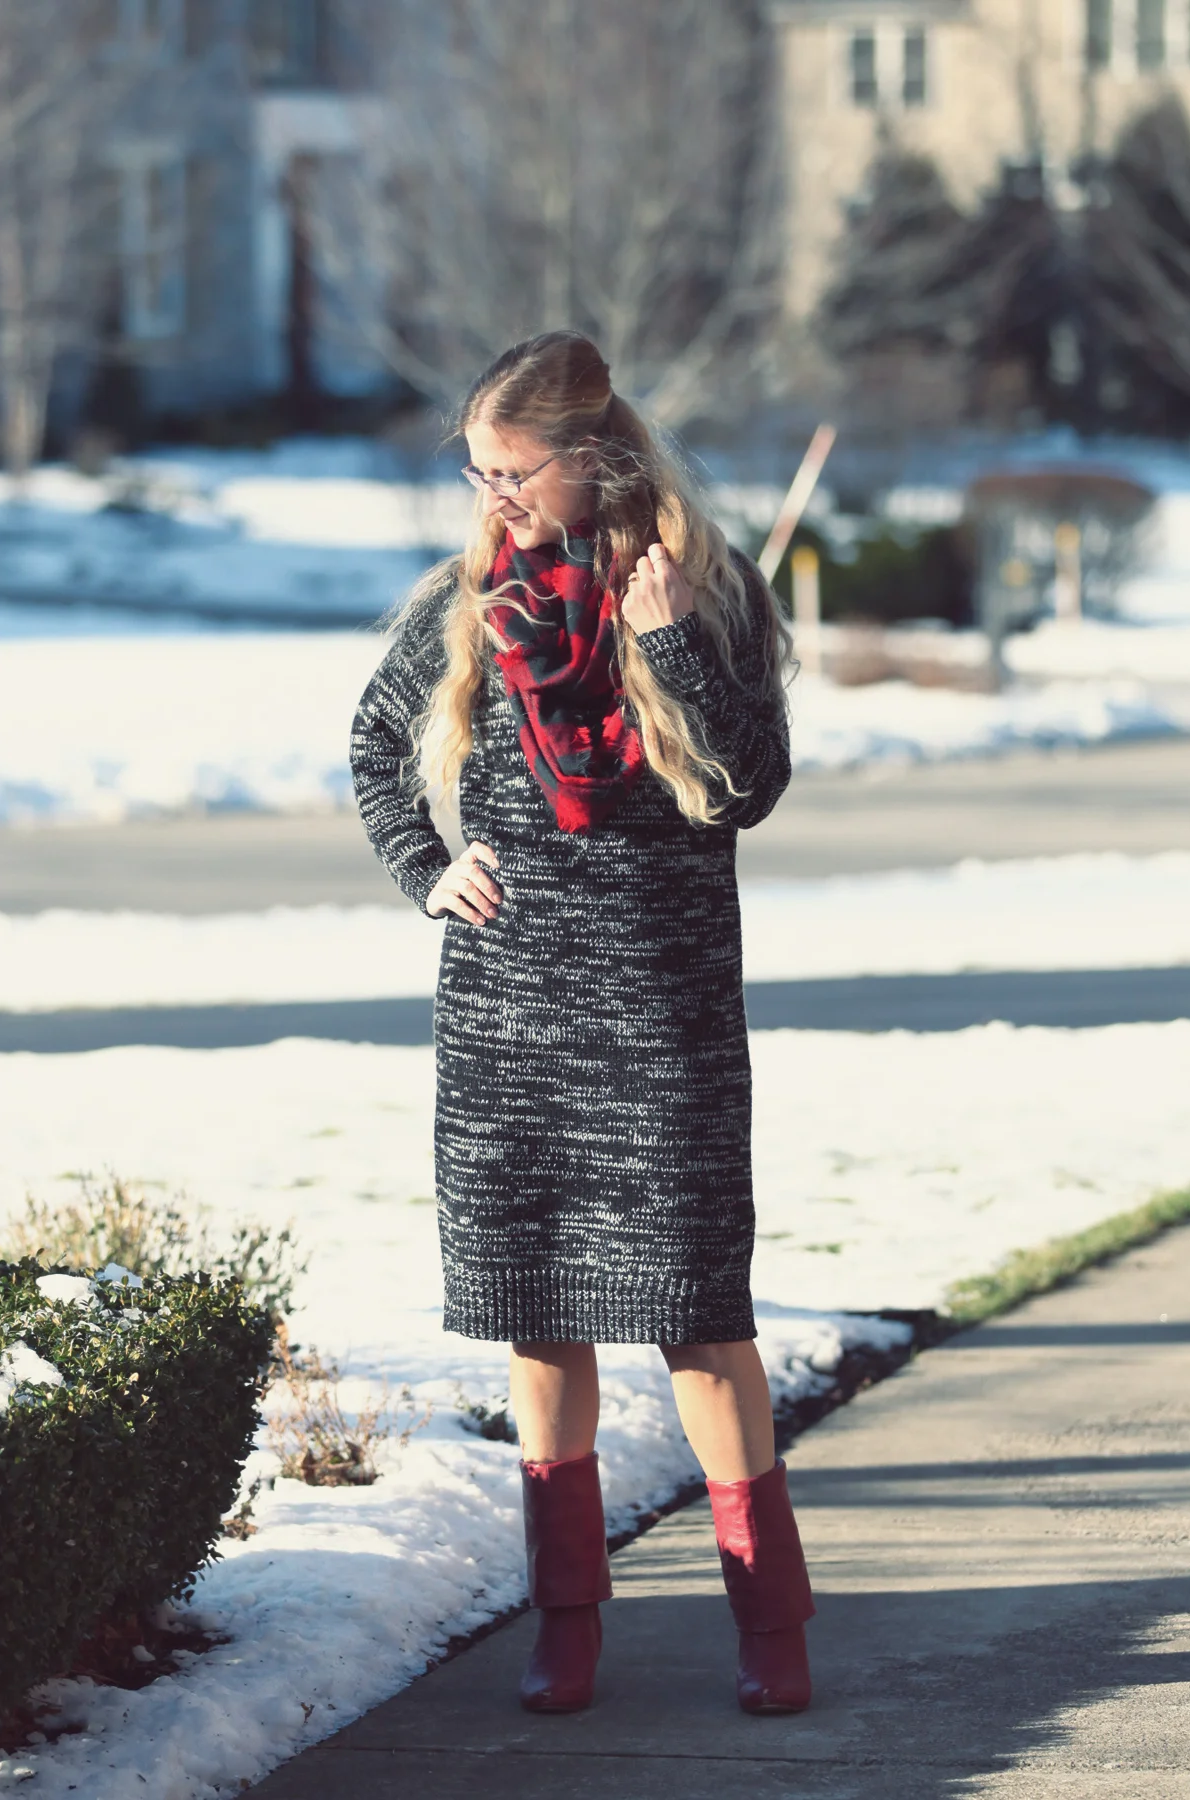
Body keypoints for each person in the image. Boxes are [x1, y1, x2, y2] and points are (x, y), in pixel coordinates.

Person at [351, 330, 814, 1716]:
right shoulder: (466, 598)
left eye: (514, 469)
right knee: (538, 1325)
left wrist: (665, 639)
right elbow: (378, 748)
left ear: (594, 457)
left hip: (662, 1020)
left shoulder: (704, 594)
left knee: (698, 1324)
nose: (491, 495)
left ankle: (773, 1630)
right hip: (507, 1022)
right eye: (479, 472)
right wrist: (430, 870)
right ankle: (568, 1627)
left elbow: (746, 787)